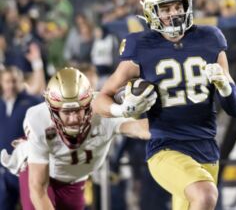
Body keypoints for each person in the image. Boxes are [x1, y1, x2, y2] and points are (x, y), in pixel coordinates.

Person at [93, 0, 236, 209]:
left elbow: (235, 108)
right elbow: (100, 100)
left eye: (177, 6)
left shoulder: (210, 38)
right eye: (165, 8)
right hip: (166, 146)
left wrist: (225, 87)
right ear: (150, 12)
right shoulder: (140, 46)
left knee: (202, 197)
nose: (174, 13)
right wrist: (122, 109)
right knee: (205, 194)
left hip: (207, 148)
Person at [0, 67, 150, 210]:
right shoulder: (39, 119)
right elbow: (38, 189)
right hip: (43, 170)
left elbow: (136, 128)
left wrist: (168, 127)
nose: (73, 119)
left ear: (88, 104)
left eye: (79, 110)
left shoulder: (102, 110)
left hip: (75, 179)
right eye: (67, 112)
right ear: (53, 110)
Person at [0, 66, 42, 210]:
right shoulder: (0, 104)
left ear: (20, 82)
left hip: (25, 168)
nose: (10, 85)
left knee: (30, 205)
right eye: (7, 81)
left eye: (14, 81)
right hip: (3, 171)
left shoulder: (33, 103)